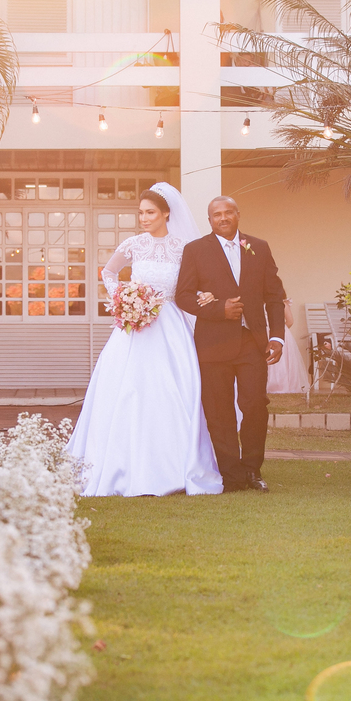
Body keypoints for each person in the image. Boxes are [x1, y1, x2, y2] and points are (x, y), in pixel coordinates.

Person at [66, 184, 223, 497]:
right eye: (140, 212)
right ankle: (119, 464)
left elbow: (197, 284)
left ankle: (174, 464)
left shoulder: (184, 247)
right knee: (126, 389)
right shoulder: (133, 244)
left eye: (150, 212)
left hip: (170, 327)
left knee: (171, 390)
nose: (144, 218)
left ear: (166, 213)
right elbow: (108, 272)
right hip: (134, 328)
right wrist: (123, 298)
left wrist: (205, 294)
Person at [175, 196, 286, 493]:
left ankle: (252, 470)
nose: (222, 218)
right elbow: (183, 296)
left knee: (255, 406)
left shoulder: (259, 247)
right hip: (213, 344)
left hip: (252, 342)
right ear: (209, 220)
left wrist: (277, 336)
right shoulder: (195, 250)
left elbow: (275, 296)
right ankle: (231, 475)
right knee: (218, 410)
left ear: (238, 214)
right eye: (216, 214)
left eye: (228, 213)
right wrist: (218, 309)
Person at [266, 297, 309, 395]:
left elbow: (290, 321)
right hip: (268, 333)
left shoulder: (282, 303)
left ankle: (279, 385)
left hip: (278, 335)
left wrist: (279, 332)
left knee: (282, 361)